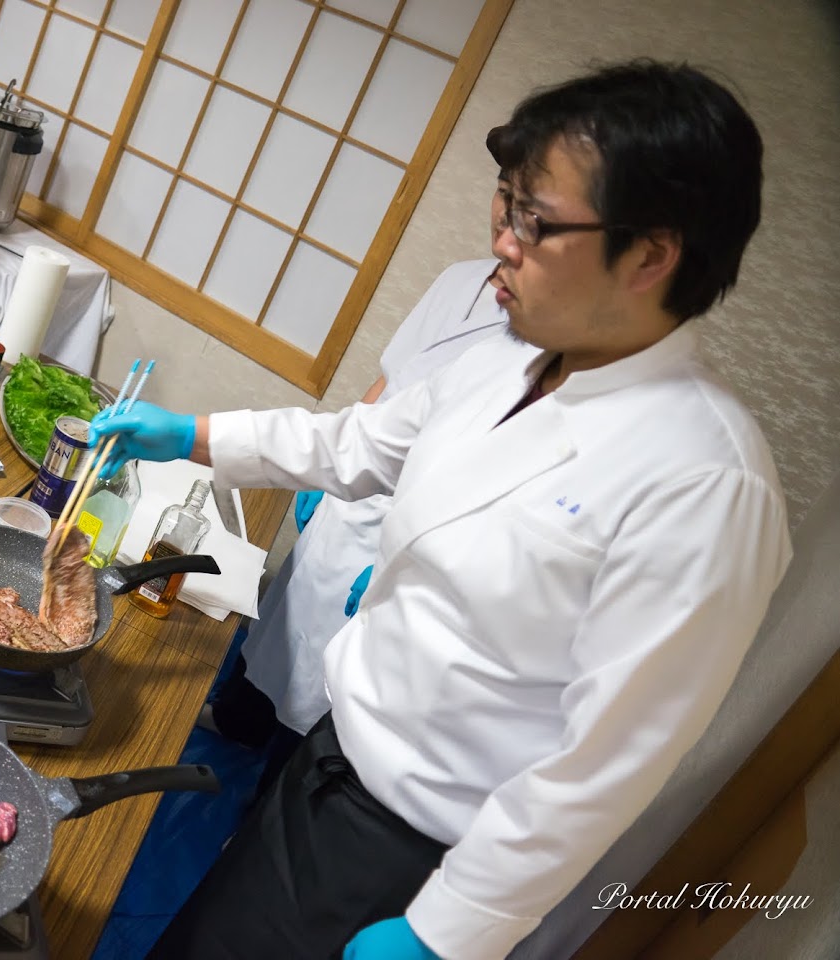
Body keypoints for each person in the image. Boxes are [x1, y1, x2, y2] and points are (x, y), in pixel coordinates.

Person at [92, 60, 792, 960]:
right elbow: (356, 443)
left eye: (536, 222)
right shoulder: (511, 361)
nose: (503, 241)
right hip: (333, 760)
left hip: (418, 852)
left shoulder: (705, 483)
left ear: (651, 255)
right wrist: (189, 432)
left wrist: (444, 932)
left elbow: (602, 764)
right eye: (508, 205)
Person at [209, 259, 508, 771]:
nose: (507, 229)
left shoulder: (548, 340)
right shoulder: (460, 276)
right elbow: (389, 385)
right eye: (505, 196)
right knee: (286, 620)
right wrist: (324, 470)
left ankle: (270, 804)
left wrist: (424, 559)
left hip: (413, 515)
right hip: (356, 479)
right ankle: (238, 721)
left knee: (332, 688)